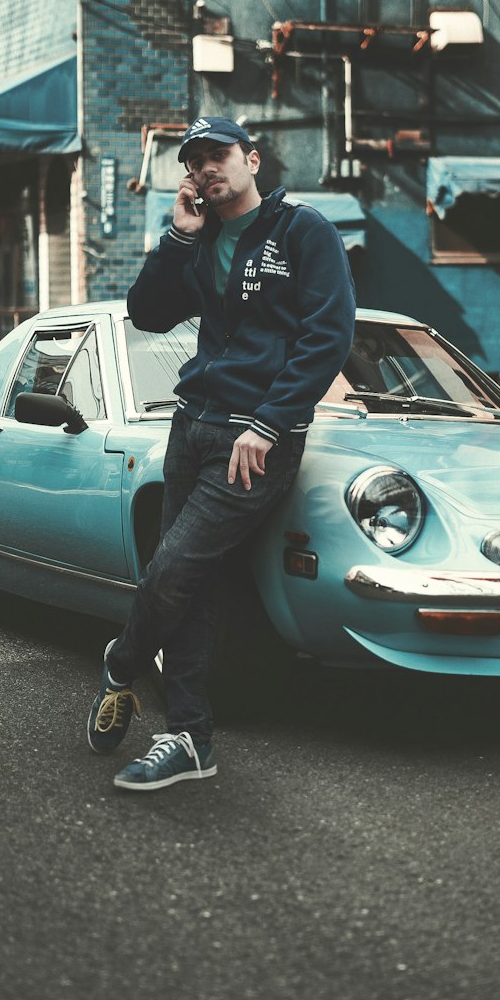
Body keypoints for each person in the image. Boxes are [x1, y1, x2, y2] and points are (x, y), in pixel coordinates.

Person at [87, 115, 356, 791]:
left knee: (175, 566)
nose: (207, 169)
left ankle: (120, 662)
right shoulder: (201, 239)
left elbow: (328, 336)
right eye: (195, 160)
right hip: (193, 426)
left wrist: (269, 423)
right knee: (190, 583)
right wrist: (177, 235)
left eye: (219, 155)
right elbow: (147, 312)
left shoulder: (303, 231)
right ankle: (189, 737)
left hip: (254, 440)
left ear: (253, 159)